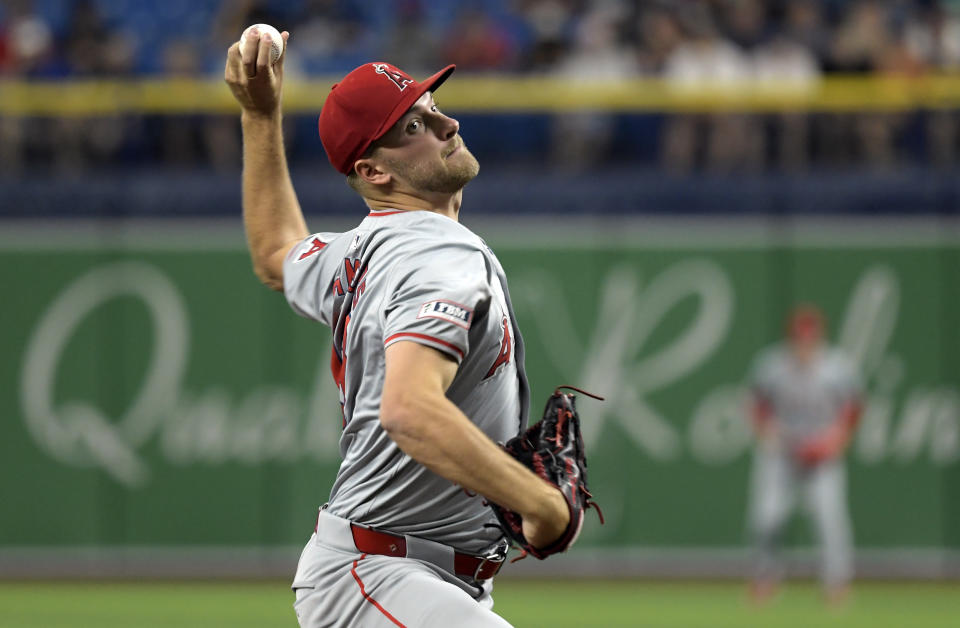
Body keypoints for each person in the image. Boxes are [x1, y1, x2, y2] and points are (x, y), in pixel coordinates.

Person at [224, 27, 573, 627]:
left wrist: (260, 115)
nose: (447, 126)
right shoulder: (437, 253)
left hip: (399, 575)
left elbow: (275, 252)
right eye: (413, 128)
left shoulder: (356, 251)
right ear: (374, 172)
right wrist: (539, 500)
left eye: (432, 109)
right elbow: (409, 410)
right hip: (379, 575)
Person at [746, 304, 864, 604]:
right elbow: (757, 408)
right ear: (791, 340)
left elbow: (852, 411)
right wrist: (772, 436)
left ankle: (836, 584)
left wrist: (834, 441)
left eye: (809, 340)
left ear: (819, 338)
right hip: (783, 452)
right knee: (767, 516)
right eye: (799, 340)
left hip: (822, 453)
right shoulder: (771, 366)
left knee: (829, 518)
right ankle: (764, 578)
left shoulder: (836, 368)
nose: (804, 346)